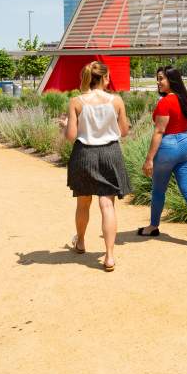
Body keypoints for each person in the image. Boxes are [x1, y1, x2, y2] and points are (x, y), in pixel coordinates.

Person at [65, 61, 131, 271]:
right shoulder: (117, 101)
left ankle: (81, 241)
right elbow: (124, 131)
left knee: (83, 203)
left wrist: (64, 125)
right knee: (107, 205)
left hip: (84, 155)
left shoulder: (76, 102)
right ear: (104, 78)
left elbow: (71, 136)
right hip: (110, 153)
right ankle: (109, 256)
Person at [138, 66, 187, 247]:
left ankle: (153, 226)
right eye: (157, 78)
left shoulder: (165, 102)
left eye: (161, 78)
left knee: (158, 190)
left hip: (169, 146)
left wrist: (149, 159)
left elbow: (159, 131)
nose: (158, 82)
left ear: (171, 80)